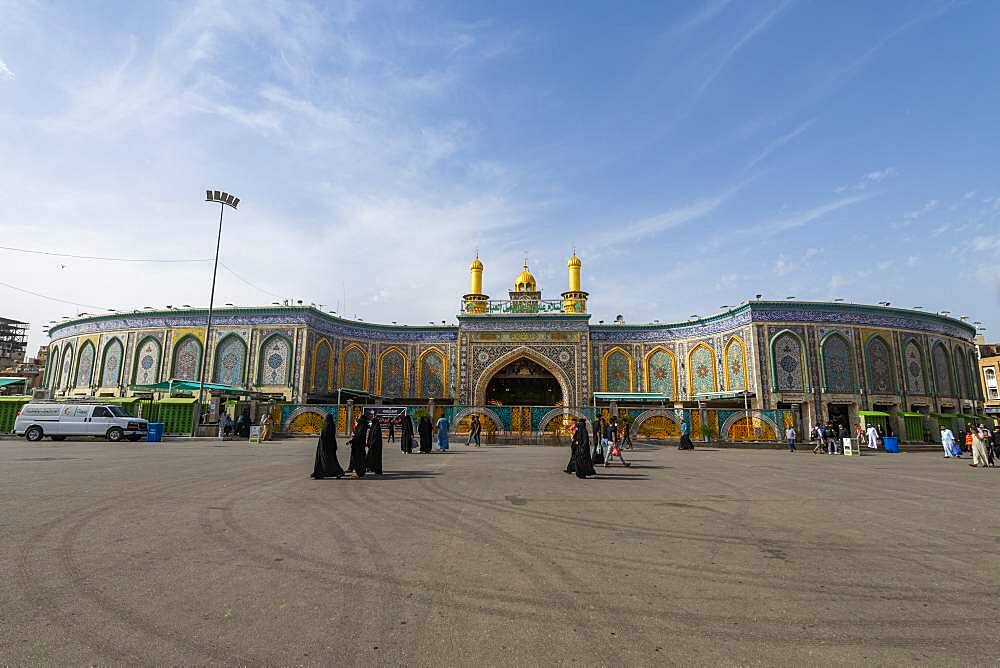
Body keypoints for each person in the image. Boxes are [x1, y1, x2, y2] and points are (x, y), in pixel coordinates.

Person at [311, 413, 345, 479]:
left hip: (325, 447)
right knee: (325, 460)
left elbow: (325, 437)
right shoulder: (331, 425)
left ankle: (338, 472)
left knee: (329, 460)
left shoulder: (327, 426)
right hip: (328, 446)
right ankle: (319, 473)